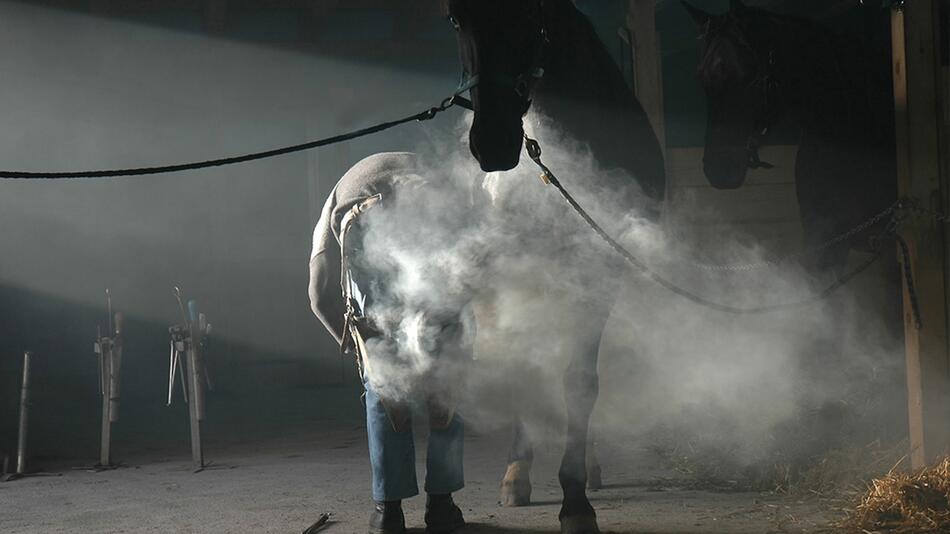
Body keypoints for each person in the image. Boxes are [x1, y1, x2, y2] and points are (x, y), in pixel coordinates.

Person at [309, 153, 471, 534]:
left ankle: (388, 512)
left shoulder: (333, 200)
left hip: (363, 221)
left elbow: (318, 297)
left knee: (384, 378)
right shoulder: (432, 174)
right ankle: (443, 507)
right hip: (434, 213)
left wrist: (357, 348)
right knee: (445, 369)